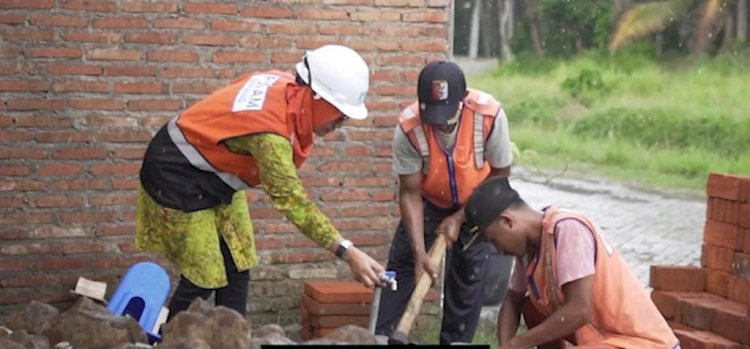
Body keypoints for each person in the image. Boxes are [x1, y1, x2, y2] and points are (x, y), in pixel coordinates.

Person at [135, 45, 386, 320]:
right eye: (340, 112)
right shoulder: (271, 134)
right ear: (315, 95)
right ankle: (167, 338)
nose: (343, 121)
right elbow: (291, 200)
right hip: (175, 171)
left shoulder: (285, 84)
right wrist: (347, 252)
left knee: (238, 264)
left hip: (214, 171)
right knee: (203, 277)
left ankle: (233, 338)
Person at [376, 60, 515, 344]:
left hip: (478, 203)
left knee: (467, 280)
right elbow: (409, 193)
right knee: (401, 271)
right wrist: (420, 253)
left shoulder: (489, 115)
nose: (440, 124)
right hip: (426, 203)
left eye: (446, 116)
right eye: (433, 117)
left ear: (463, 102)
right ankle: (382, 338)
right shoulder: (409, 127)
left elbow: (500, 176)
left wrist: (461, 217)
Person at [462, 176, 680, 349]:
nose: (497, 249)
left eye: (493, 239)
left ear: (508, 222)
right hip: (604, 342)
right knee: (531, 308)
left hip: (640, 343)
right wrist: (505, 346)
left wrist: (518, 343)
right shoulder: (528, 250)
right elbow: (513, 299)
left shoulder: (568, 228)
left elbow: (580, 310)